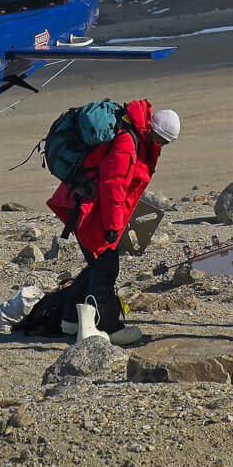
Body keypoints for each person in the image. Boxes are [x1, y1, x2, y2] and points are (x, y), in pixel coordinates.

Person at [49, 101, 181, 345]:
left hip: (88, 207)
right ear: (152, 131)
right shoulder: (126, 142)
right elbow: (113, 186)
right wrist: (112, 226)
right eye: (162, 140)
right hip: (92, 212)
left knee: (96, 265)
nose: (161, 146)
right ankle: (109, 326)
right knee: (106, 269)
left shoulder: (135, 136)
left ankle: (71, 320)